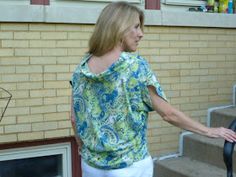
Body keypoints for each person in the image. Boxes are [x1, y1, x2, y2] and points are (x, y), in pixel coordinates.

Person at [70, 2, 236, 177]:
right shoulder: (134, 67)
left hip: (91, 166)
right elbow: (168, 114)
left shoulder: (81, 69)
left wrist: (83, 148)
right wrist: (209, 131)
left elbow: (74, 118)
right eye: (135, 27)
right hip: (130, 167)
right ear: (119, 28)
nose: (141, 33)